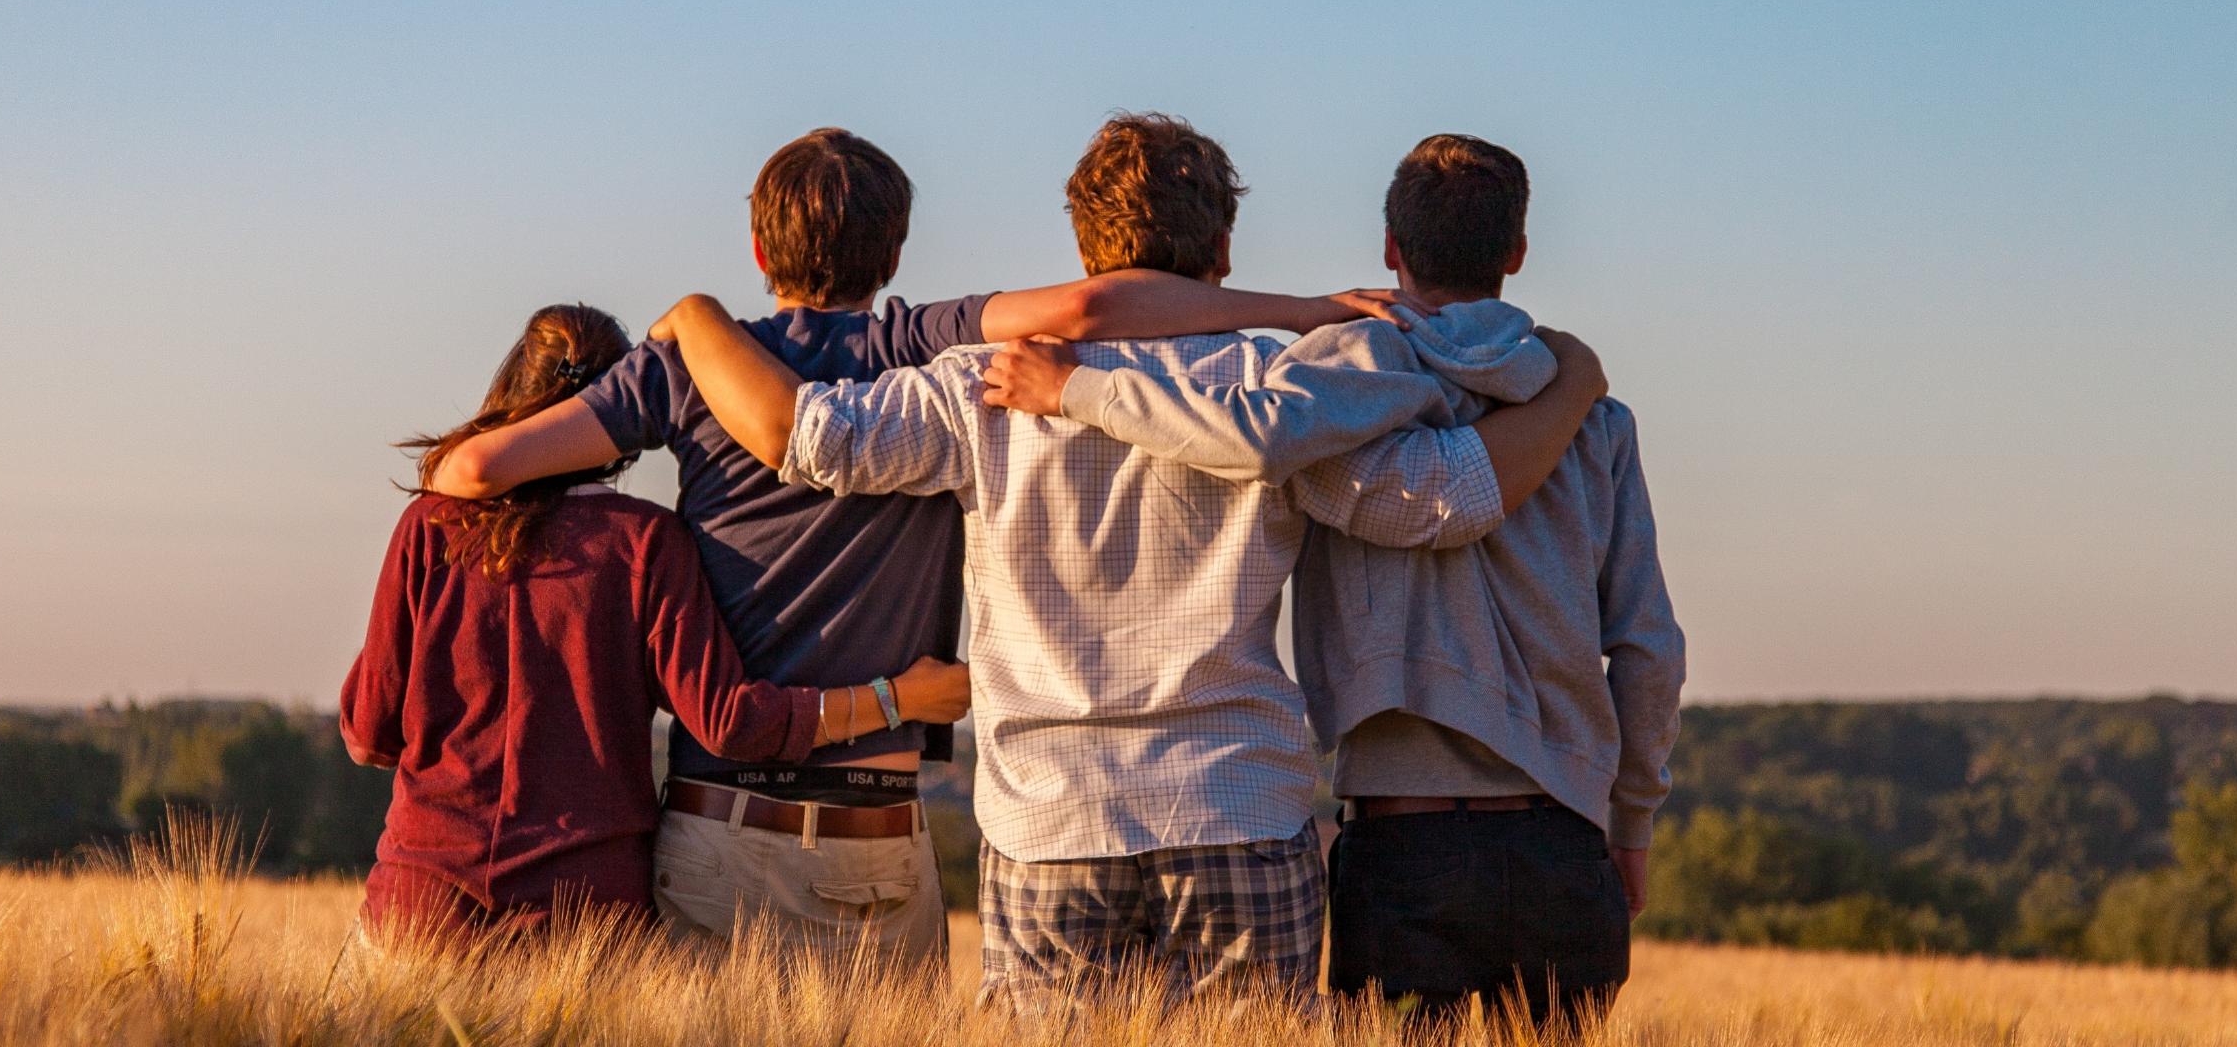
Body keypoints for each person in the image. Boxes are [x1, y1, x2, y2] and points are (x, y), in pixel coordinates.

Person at [649, 113, 1609, 1011]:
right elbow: (1442, 501)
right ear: (1223, 252)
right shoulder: (1278, 390)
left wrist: (696, 319)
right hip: (1238, 806)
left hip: (1050, 822)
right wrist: (1571, 387)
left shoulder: (977, 387)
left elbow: (809, 438)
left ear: (1082, 250)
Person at [417, 128, 1410, 965]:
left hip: (726, 819)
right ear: (893, 253)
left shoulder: (687, 368)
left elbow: (472, 474)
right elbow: (1088, 309)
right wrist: (1302, 310)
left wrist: (675, 338)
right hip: (883, 829)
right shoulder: (917, 343)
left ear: (758, 250)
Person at [979, 134, 1685, 1030]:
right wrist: (1630, 825)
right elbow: (1650, 649)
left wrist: (1078, 388)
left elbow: (1261, 441)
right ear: (1516, 253)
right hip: (1566, 841)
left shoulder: (1331, 388)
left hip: (1403, 847)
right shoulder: (1595, 418)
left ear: (1391, 247)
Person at [339, 302, 971, 949]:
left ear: (512, 391)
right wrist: (900, 699)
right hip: (585, 923)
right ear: (621, 413)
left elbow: (369, 734)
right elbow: (730, 722)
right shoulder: (647, 543)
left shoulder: (431, 528)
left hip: (420, 908)